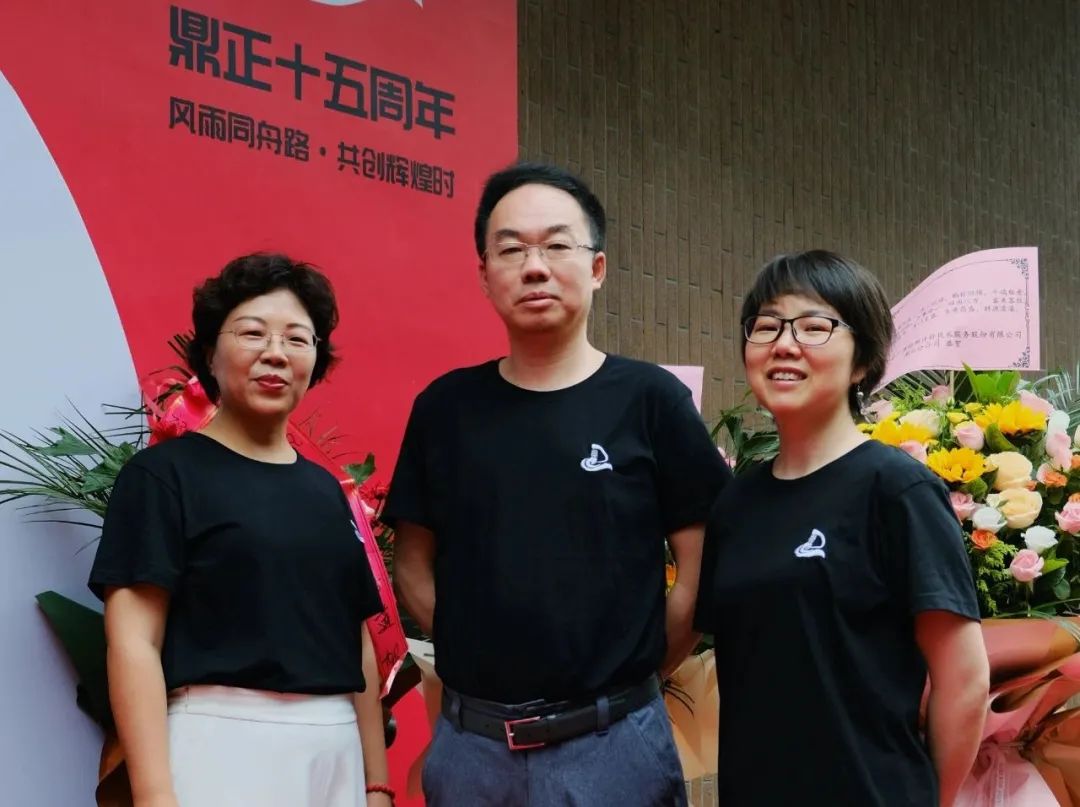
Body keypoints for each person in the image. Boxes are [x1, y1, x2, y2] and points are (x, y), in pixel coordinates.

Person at [382, 162, 731, 806]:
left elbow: (700, 560)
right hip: (473, 748)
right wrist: (476, 651)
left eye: (556, 245)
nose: (534, 267)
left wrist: (636, 671)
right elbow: (412, 562)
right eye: (511, 249)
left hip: (615, 746)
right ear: (484, 274)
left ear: (597, 268)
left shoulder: (651, 400)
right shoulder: (445, 409)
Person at [88, 253, 394, 807]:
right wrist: (155, 794)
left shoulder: (329, 492)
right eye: (253, 333)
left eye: (297, 339)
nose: (276, 353)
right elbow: (134, 643)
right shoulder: (162, 477)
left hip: (335, 751)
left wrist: (376, 785)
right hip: (218, 743)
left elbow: (357, 645)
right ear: (210, 352)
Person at [694, 250, 989, 806]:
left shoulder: (897, 490)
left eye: (814, 327)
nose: (785, 344)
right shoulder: (737, 504)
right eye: (767, 326)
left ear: (862, 362)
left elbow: (964, 681)